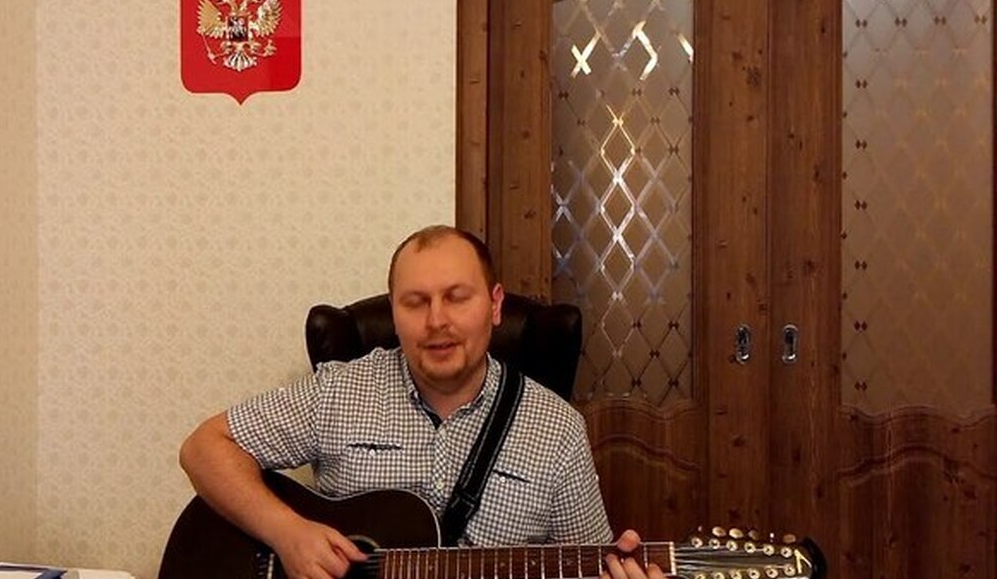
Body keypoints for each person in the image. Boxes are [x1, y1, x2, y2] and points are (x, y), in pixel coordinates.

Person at [180, 225, 665, 579]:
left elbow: (588, 558)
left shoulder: (557, 429)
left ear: (495, 305)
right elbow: (204, 448)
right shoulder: (340, 391)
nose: (436, 321)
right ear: (393, 312)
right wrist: (287, 533)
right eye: (415, 302)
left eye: (457, 297)